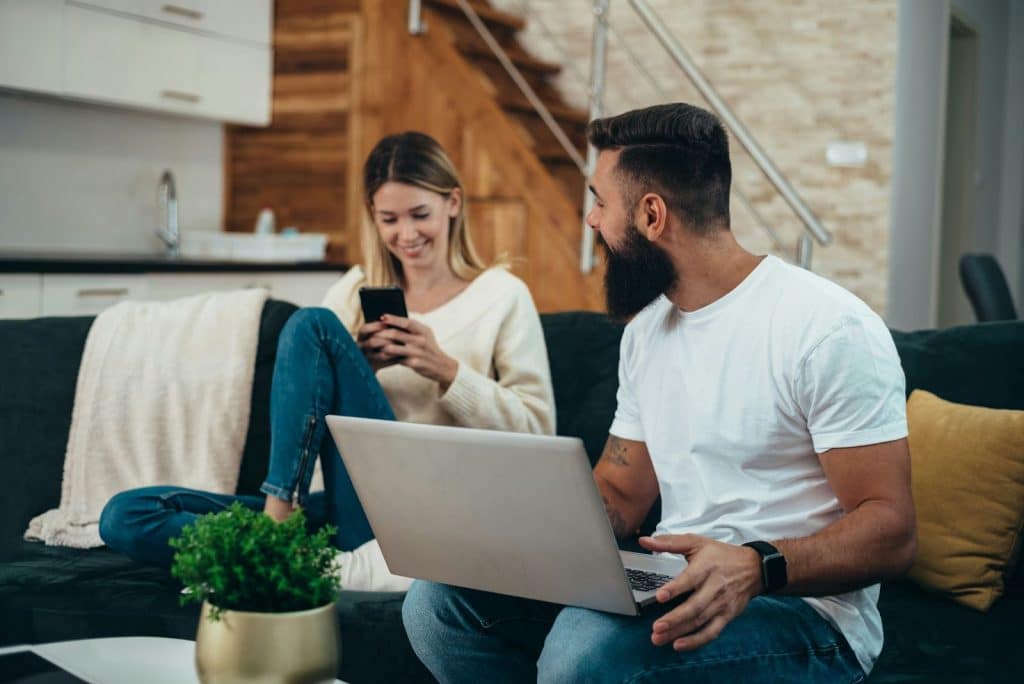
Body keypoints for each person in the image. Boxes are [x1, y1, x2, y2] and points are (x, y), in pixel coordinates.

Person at [401, 103, 917, 682]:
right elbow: (621, 491)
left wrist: (755, 565)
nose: (591, 221)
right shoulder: (647, 331)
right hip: (672, 581)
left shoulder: (825, 328)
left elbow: (891, 531)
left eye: (599, 201)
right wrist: (518, 530)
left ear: (652, 215)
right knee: (439, 605)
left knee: (581, 651)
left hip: (803, 613)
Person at [100, 131, 556, 592]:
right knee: (126, 516)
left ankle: (277, 528)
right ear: (373, 219)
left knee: (313, 324)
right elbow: (309, 399)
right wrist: (360, 368)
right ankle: (285, 540)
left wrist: (445, 369)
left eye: (420, 215)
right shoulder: (355, 287)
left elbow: (541, 435)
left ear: (452, 203)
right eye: (389, 219)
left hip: (436, 510)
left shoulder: (502, 295)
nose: (407, 234)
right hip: (353, 505)